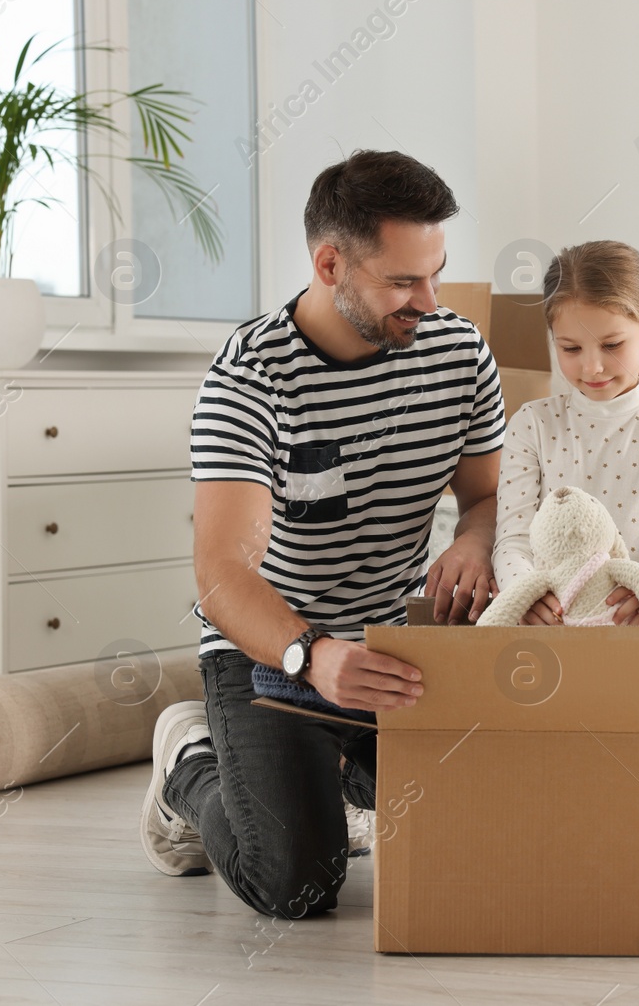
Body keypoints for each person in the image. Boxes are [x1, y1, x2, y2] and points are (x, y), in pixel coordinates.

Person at [139, 150, 505, 919]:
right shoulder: (249, 378)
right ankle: (193, 761)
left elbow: (488, 498)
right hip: (273, 650)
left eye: (437, 272)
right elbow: (220, 571)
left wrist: (473, 541)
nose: (429, 300)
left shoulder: (460, 353)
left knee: (487, 830)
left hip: (395, 641)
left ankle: (331, 773)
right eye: (403, 282)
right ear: (330, 263)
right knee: (296, 884)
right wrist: (314, 654)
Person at [494, 240, 639, 625]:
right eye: (570, 348)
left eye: (612, 345)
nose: (593, 367)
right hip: (556, 634)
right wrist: (526, 594)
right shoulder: (531, 424)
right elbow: (513, 540)